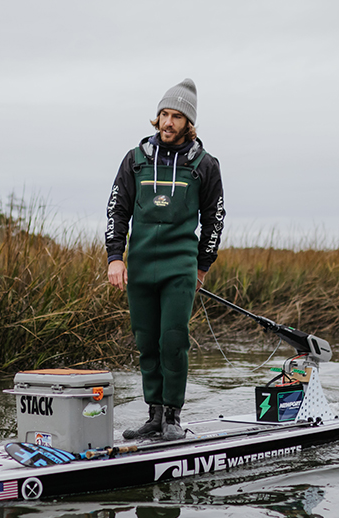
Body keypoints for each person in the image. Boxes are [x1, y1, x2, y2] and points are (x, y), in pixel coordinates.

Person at [105, 78, 225, 441]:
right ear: (156, 118)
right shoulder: (135, 160)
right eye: (163, 114)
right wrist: (115, 257)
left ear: (189, 124)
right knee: (146, 342)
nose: (168, 122)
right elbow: (116, 209)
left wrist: (202, 265)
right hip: (139, 266)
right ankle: (153, 415)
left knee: (173, 340)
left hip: (180, 268)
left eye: (176, 116)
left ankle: (173, 416)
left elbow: (214, 219)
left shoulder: (205, 164)